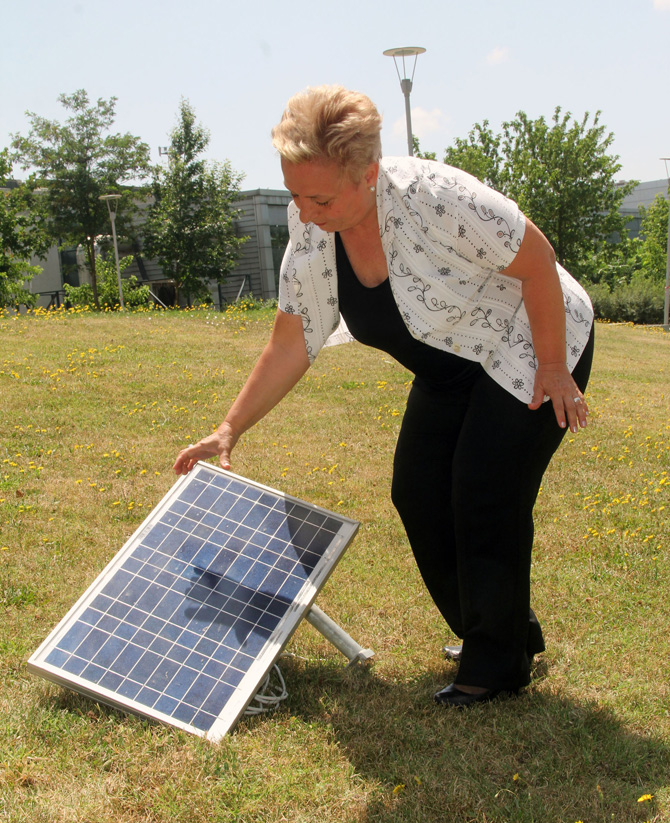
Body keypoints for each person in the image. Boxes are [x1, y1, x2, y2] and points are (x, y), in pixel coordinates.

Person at [174, 85, 594, 708]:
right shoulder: (311, 225)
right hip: (451, 367)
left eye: (319, 197)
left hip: (531, 340)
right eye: (294, 193)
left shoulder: (435, 197)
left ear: (367, 174)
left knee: (482, 488)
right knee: (418, 490)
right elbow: (293, 338)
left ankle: (497, 663)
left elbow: (537, 261)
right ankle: (502, 627)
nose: (306, 211)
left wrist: (556, 368)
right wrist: (229, 428)